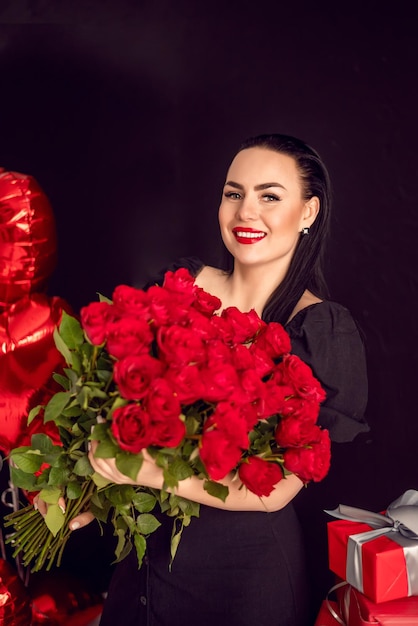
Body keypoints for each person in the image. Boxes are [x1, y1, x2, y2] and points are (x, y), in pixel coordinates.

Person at [40, 133, 369, 625]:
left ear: (308, 212)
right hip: (143, 562)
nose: (245, 212)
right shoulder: (178, 286)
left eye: (270, 196)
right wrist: (77, 486)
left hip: (241, 578)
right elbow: (113, 403)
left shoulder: (320, 330)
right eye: (234, 193)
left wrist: (151, 474)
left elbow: (277, 488)